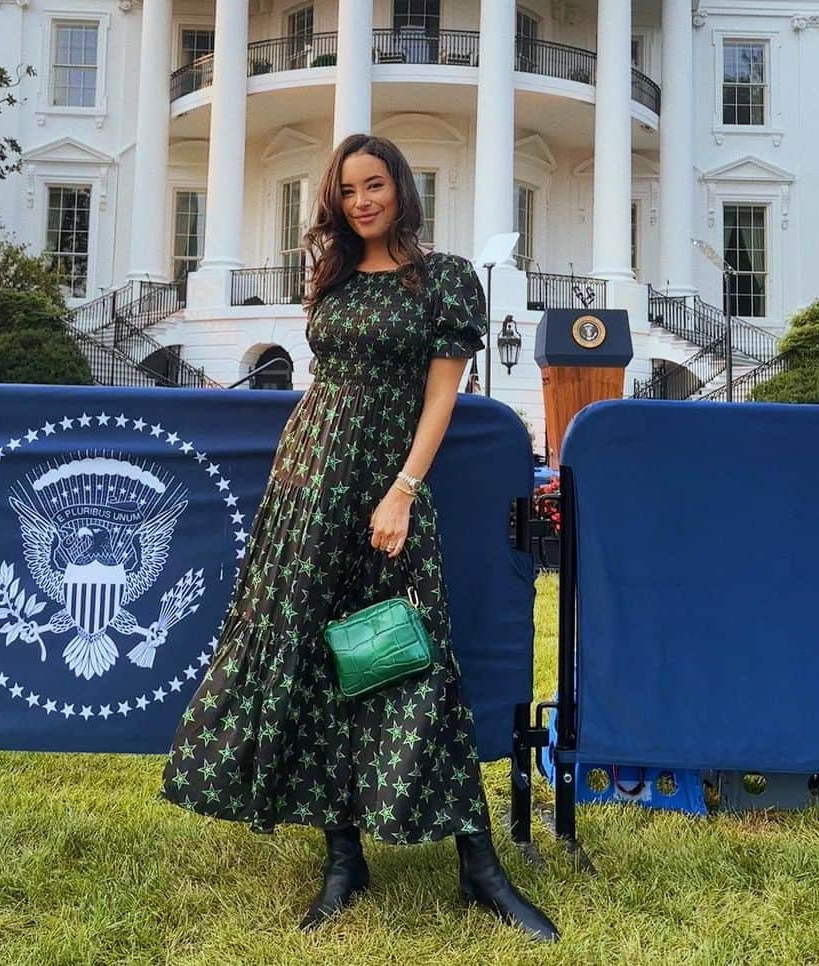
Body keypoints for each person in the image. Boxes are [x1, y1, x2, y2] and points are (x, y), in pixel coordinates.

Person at [161, 133, 558, 942]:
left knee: (414, 659)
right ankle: (344, 860)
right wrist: (307, 475)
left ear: (400, 189)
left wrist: (403, 492)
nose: (362, 200)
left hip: (387, 492)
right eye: (347, 191)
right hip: (307, 483)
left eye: (374, 185)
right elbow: (324, 384)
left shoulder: (442, 280)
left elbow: (441, 398)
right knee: (314, 662)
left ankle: (480, 868)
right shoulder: (332, 275)